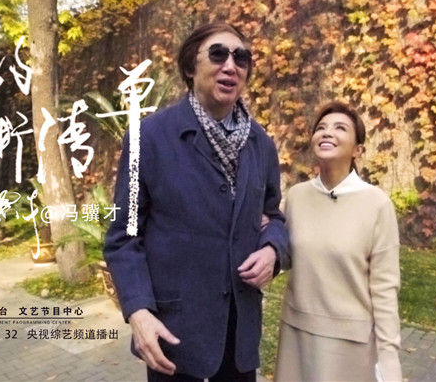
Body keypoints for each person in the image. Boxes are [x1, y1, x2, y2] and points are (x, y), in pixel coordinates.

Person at [104, 22, 290, 382]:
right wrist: (138, 312)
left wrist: (273, 251)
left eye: (241, 58)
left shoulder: (261, 145)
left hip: (239, 336)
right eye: (218, 54)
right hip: (175, 335)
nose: (231, 66)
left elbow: (273, 216)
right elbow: (123, 236)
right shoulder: (147, 138)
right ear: (191, 67)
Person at [274, 101, 402, 382]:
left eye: (340, 128)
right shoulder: (296, 196)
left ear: (358, 150)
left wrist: (389, 357)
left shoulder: (377, 204)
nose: (327, 132)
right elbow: (282, 257)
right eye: (321, 127)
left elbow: (385, 289)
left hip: (350, 345)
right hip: (297, 336)